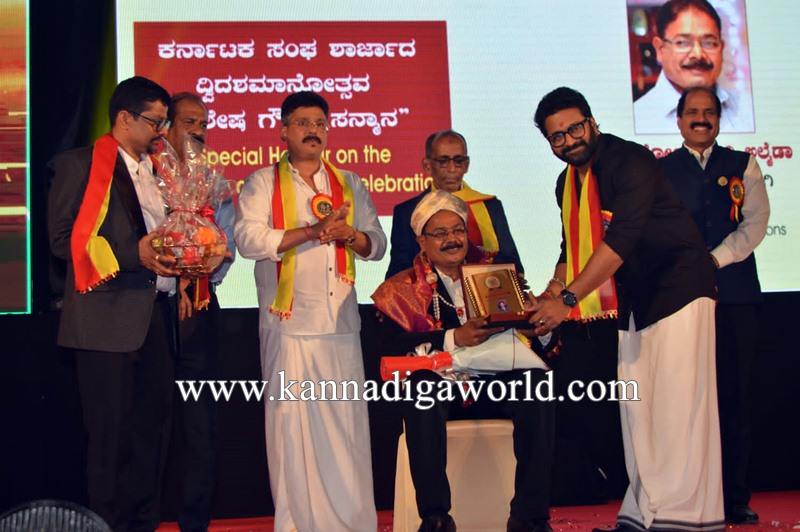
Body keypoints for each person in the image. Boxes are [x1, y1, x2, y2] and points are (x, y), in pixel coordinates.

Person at [532, 86, 723, 531]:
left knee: (677, 405)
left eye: (574, 129)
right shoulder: (567, 182)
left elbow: (619, 241)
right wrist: (551, 292)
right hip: (636, 300)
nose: (569, 141)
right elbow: (570, 248)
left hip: (679, 289)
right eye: (557, 136)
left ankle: (680, 515)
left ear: (592, 122)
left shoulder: (629, 161)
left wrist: (567, 301)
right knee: (638, 410)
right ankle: (643, 513)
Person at [234, 91, 385, 531]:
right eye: (303, 123)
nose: (313, 130)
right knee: (290, 428)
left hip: (340, 325)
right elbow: (247, 240)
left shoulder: (349, 182)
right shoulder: (262, 182)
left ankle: (351, 522)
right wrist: (312, 231)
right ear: (284, 130)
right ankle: (296, 524)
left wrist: (349, 235)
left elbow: (377, 244)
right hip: (288, 325)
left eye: (319, 123)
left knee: (346, 427)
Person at [373, 190, 556, 532]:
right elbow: (389, 348)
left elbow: (536, 340)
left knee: (536, 384)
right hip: (444, 389)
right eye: (440, 233)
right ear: (421, 241)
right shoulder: (401, 289)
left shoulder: (497, 274)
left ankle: (529, 516)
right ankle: (436, 516)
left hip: (494, 385)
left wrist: (542, 329)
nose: (452, 239)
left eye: (458, 230)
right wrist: (454, 337)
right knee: (421, 387)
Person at [48, 76, 180, 531]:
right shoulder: (80, 164)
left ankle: (144, 523)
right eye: (156, 122)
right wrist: (132, 254)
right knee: (110, 440)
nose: (162, 132)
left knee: (153, 435)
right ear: (124, 118)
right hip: (104, 319)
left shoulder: (162, 172)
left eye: (164, 123)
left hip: (157, 314)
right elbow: (62, 240)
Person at [660, 86, 769, 525]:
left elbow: (755, 222)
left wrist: (715, 260)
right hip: (681, 301)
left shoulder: (744, 164)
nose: (700, 119)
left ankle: (734, 496)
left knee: (734, 399)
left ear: (719, 119)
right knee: (686, 399)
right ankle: (687, 494)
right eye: (692, 112)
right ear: (679, 120)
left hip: (736, 298)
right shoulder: (660, 170)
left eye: (709, 112)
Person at [164, 91, 236, 532]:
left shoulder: (214, 182)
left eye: (203, 123)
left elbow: (225, 249)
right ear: (165, 127)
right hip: (153, 311)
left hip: (202, 307)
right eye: (189, 122)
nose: (198, 131)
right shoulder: (147, 176)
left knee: (201, 424)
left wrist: (196, 272)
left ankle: (195, 522)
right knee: (151, 420)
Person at [385, 129, 523, 279]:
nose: (452, 169)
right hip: (432, 291)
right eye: (443, 161)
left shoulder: (490, 206)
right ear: (427, 165)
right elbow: (399, 272)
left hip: (485, 289)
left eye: (458, 161)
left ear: (466, 164)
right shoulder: (408, 212)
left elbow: (511, 262)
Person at [633, 0, 754, 134]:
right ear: (660, 49)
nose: (698, 54)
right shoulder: (638, 117)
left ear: (721, 49)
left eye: (709, 43)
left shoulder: (748, 109)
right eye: (683, 43)